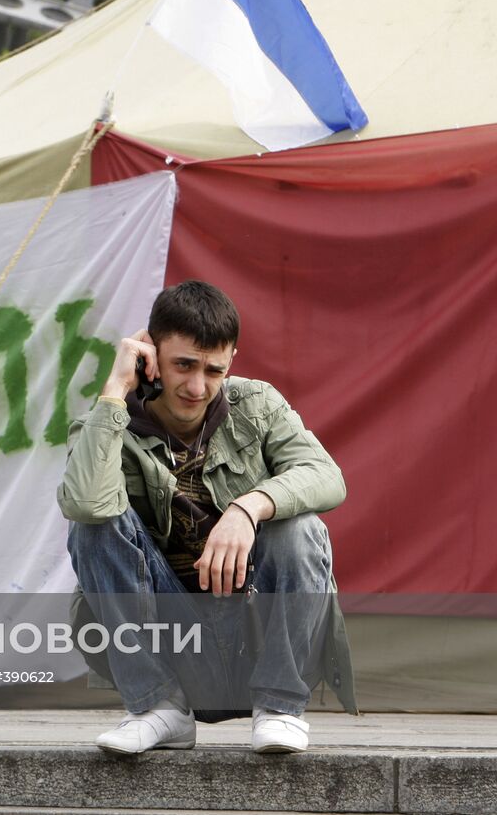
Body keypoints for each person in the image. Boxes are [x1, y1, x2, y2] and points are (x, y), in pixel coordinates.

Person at [57, 280, 352, 756]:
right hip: (171, 641)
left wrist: (248, 507)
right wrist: (115, 390)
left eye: (214, 369)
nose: (197, 387)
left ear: (232, 359)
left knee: (301, 528)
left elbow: (326, 476)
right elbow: (85, 505)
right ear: (149, 354)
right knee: (93, 528)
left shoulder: (256, 404)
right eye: (183, 366)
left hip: (254, 634)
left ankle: (280, 706)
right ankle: (158, 709)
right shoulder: (107, 426)